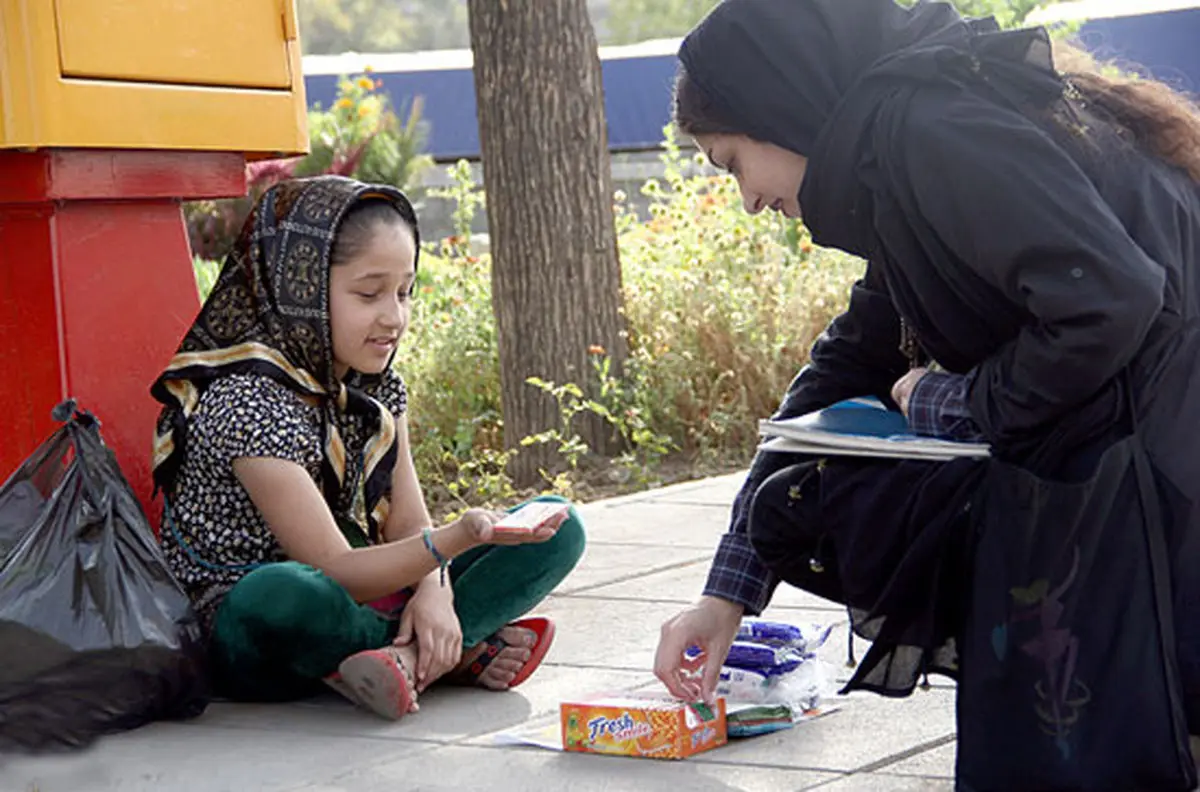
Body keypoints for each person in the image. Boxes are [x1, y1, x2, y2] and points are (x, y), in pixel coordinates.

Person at [654, 0, 1200, 751]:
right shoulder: (900, 148)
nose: (748, 200)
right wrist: (727, 594)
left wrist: (960, 400)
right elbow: (845, 367)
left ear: (776, 106)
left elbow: (1111, 300)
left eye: (733, 163)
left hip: (1168, 471)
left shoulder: (931, 132)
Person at [151, 176, 585, 721]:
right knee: (286, 594)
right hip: (252, 626)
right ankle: (452, 651)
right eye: (369, 293)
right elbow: (333, 568)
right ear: (300, 288)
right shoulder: (247, 398)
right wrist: (452, 543)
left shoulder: (372, 386)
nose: (394, 316)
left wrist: (434, 592)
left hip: (354, 587)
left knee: (558, 527)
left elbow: (407, 523)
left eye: (404, 292)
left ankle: (405, 655)